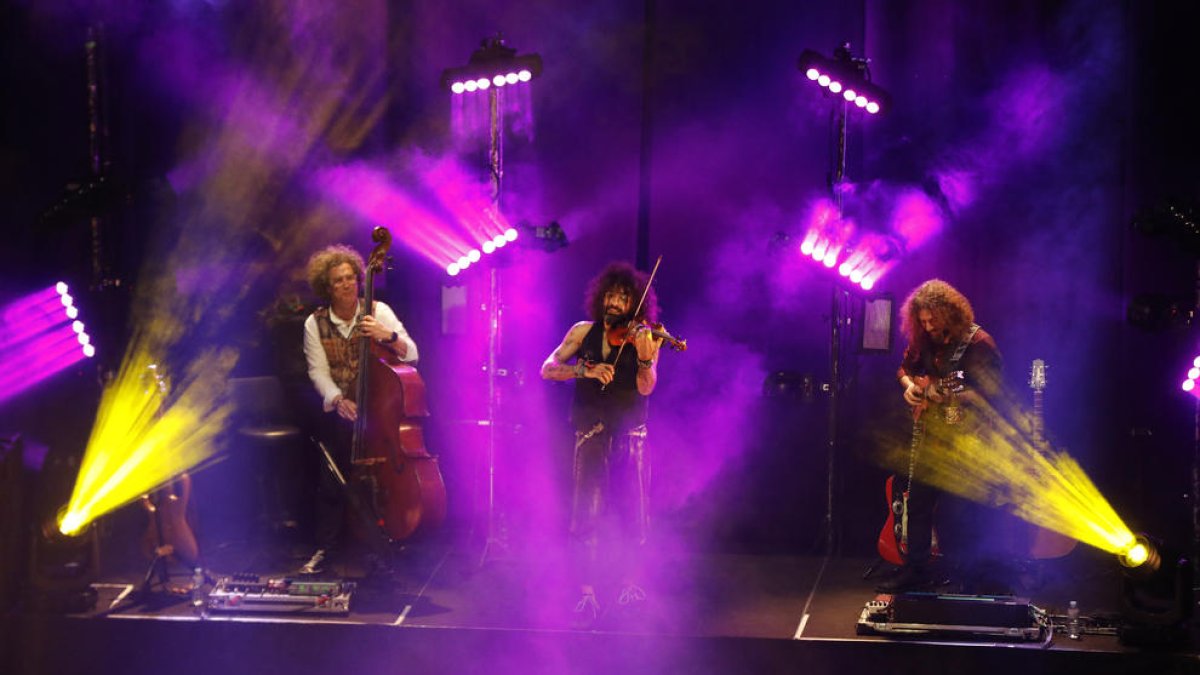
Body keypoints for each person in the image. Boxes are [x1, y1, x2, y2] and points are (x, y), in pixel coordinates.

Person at [540, 262, 664, 627]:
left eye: (623, 298)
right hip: (590, 432)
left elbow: (646, 387)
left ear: (634, 304)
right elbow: (547, 368)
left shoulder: (649, 336)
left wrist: (644, 357)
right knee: (585, 516)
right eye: (610, 295)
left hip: (631, 435)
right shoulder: (582, 332)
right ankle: (586, 593)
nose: (614, 302)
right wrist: (584, 370)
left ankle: (629, 587)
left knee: (633, 515)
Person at [878, 278, 1005, 593]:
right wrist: (911, 387)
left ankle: (971, 576)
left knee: (964, 512)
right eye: (922, 320)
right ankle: (917, 570)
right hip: (932, 437)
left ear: (950, 313)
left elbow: (992, 393)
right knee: (918, 504)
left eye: (933, 319)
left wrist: (951, 395)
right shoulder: (925, 339)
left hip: (970, 439)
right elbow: (904, 369)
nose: (928, 325)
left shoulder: (978, 343)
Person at [300, 244, 418, 575]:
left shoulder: (378, 311)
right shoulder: (315, 323)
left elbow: (412, 355)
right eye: (338, 280)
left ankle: (387, 542)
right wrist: (337, 399)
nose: (347, 285)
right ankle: (327, 547)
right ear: (327, 287)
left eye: (351, 277)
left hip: (380, 414)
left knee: (382, 480)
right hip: (343, 412)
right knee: (332, 481)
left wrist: (388, 335)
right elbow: (317, 371)